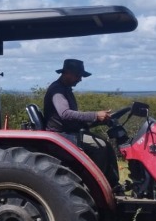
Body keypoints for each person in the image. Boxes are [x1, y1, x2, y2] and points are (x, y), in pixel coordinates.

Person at [43, 59, 120, 189]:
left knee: (105, 145)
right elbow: (65, 114)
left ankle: (112, 185)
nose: (80, 79)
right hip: (60, 135)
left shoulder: (65, 89)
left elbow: (73, 117)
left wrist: (99, 119)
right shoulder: (57, 90)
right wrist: (95, 115)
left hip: (69, 132)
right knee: (99, 146)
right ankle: (94, 188)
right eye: (78, 75)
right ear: (67, 73)